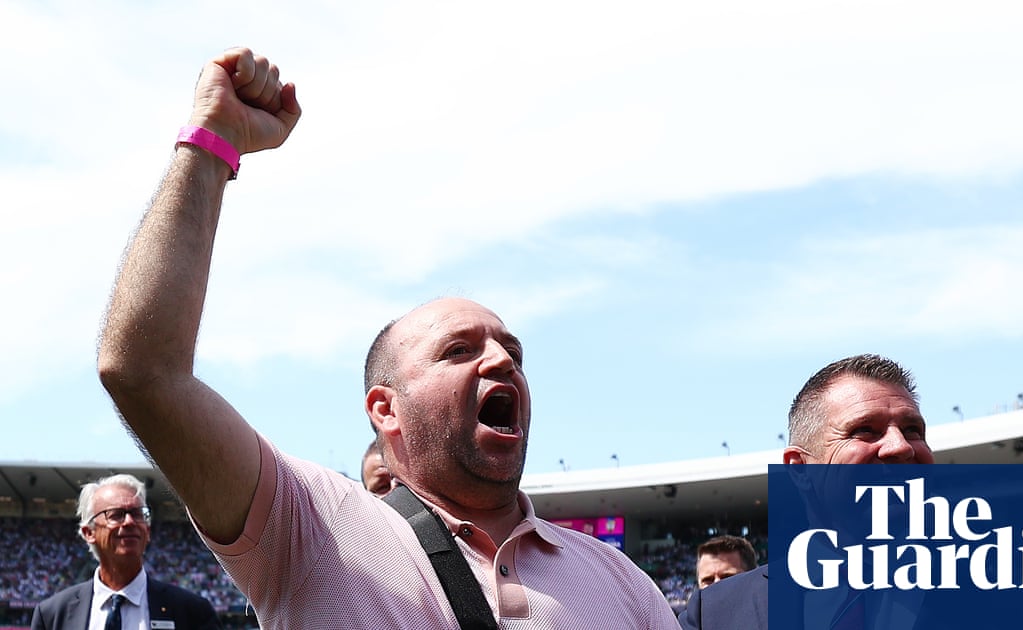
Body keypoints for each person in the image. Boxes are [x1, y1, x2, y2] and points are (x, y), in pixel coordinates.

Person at [97, 47, 678, 629]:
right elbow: (143, 371)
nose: (502, 360)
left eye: (513, 352)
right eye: (459, 350)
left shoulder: (621, 584)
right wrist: (211, 143)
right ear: (384, 408)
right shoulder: (312, 528)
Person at [679, 353, 933, 630]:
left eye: (912, 430)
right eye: (865, 430)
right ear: (800, 469)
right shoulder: (716, 612)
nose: (901, 446)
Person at [30, 474, 221, 630]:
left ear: (148, 530)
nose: (130, 522)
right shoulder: (52, 615)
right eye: (116, 515)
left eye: (138, 514)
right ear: (89, 533)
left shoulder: (192, 613)